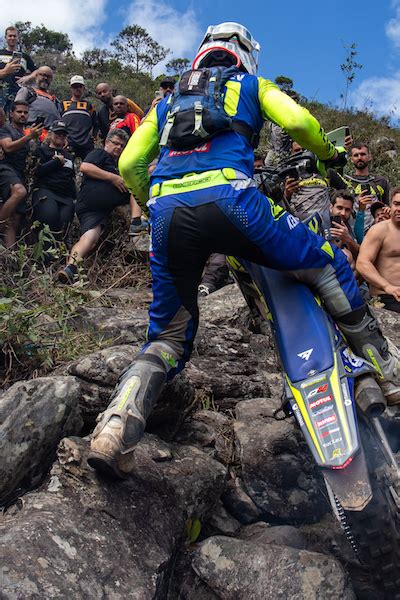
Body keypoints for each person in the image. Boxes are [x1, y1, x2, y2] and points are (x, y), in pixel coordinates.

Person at [87, 22, 400, 477]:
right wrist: (329, 156)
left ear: (201, 55)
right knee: (328, 263)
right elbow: (298, 123)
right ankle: (386, 370)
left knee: (168, 336)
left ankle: (117, 422)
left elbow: (130, 162)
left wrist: (154, 204)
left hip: (168, 211)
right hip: (236, 202)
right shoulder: (251, 84)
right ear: (244, 56)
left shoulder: (168, 99)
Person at [57, 129, 142, 283]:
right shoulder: (100, 154)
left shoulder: (118, 163)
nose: (118, 147)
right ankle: (137, 222)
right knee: (136, 185)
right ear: (106, 143)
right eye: (115, 143)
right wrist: (114, 178)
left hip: (93, 208)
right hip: (93, 195)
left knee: (91, 236)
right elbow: (85, 167)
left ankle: (70, 267)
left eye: (122, 146)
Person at [0, 100, 43, 246]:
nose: (23, 115)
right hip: (5, 168)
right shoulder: (6, 129)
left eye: (25, 112)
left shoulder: (24, 132)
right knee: (19, 191)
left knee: (16, 217)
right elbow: (8, 147)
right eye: (19, 112)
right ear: (11, 114)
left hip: (20, 173)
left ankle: (9, 252)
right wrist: (29, 137)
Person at [329, 143, 390, 233]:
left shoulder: (381, 181)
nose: (359, 157)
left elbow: (386, 205)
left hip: (376, 230)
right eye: (356, 155)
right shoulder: (344, 181)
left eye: (363, 154)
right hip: (349, 231)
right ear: (351, 159)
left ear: (369, 157)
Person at [31, 120, 76, 243]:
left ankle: (60, 259)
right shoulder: (41, 151)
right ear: (50, 134)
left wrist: (75, 198)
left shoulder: (69, 156)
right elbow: (36, 172)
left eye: (63, 134)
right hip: (46, 191)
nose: (60, 136)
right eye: (57, 133)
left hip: (66, 196)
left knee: (64, 227)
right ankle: (45, 259)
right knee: (49, 219)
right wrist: (55, 162)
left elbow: (71, 178)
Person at [357, 189, 400, 314]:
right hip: (386, 297)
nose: (399, 208)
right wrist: (387, 286)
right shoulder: (379, 230)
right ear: (390, 206)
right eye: (396, 204)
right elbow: (363, 263)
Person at [0, 26, 36, 112]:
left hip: (18, 92)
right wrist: (5, 71)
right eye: (10, 36)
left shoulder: (25, 56)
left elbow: (37, 72)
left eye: (14, 36)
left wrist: (27, 77)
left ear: (18, 38)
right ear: (5, 38)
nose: (12, 38)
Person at [61, 76, 97, 160]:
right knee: (67, 167)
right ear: (71, 88)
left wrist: (94, 136)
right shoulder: (63, 104)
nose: (77, 89)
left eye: (80, 86)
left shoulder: (88, 105)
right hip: (69, 142)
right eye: (75, 86)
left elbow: (95, 122)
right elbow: (58, 121)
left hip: (86, 143)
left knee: (89, 167)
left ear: (83, 88)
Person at [15, 66, 61, 130]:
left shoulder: (55, 101)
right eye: (43, 75)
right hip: (31, 133)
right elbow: (16, 112)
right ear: (36, 76)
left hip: (50, 135)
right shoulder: (27, 91)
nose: (45, 78)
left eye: (49, 76)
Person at [329, 190, 359, 261]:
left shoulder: (350, 226)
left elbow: (360, 255)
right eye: (339, 208)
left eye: (347, 210)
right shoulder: (321, 223)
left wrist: (348, 239)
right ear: (331, 207)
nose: (343, 213)